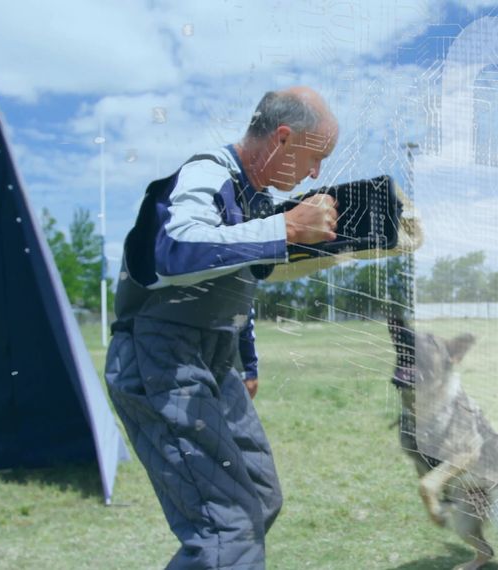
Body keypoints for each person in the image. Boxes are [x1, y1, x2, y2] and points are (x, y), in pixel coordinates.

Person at [104, 87, 339, 569]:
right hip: (160, 356)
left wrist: (246, 361)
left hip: (214, 358)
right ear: (282, 138)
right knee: (226, 526)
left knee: (258, 497)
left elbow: (235, 281)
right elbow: (174, 251)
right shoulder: (207, 172)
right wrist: (287, 230)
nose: (315, 175)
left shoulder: (253, 201)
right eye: (315, 158)